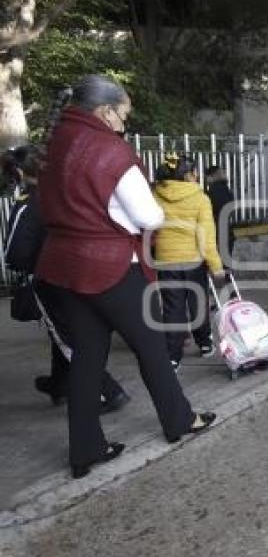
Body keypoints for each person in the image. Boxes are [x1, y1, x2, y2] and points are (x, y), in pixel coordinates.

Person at [36, 75, 215, 479]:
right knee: (151, 345)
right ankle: (179, 420)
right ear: (104, 111)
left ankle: (85, 450)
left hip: (64, 264)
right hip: (110, 265)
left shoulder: (54, 144)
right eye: (123, 114)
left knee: (86, 356)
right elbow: (150, 217)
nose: (123, 123)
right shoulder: (109, 150)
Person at [3, 146, 129, 412]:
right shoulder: (69, 193)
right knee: (63, 330)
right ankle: (59, 383)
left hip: (50, 278)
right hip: (82, 272)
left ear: (19, 172)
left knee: (67, 336)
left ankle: (107, 391)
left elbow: (15, 252)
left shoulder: (30, 202)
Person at [154, 153, 225, 371]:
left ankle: (173, 357)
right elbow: (206, 236)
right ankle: (204, 344)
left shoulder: (156, 195)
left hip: (166, 260)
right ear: (187, 175)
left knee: (172, 308)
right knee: (198, 304)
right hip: (193, 261)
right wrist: (216, 266)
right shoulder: (200, 198)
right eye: (194, 172)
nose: (197, 176)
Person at [204, 165, 236, 260]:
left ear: (211, 176)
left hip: (217, 233)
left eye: (206, 177)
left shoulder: (214, 191)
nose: (205, 180)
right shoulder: (226, 189)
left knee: (218, 265)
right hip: (227, 232)